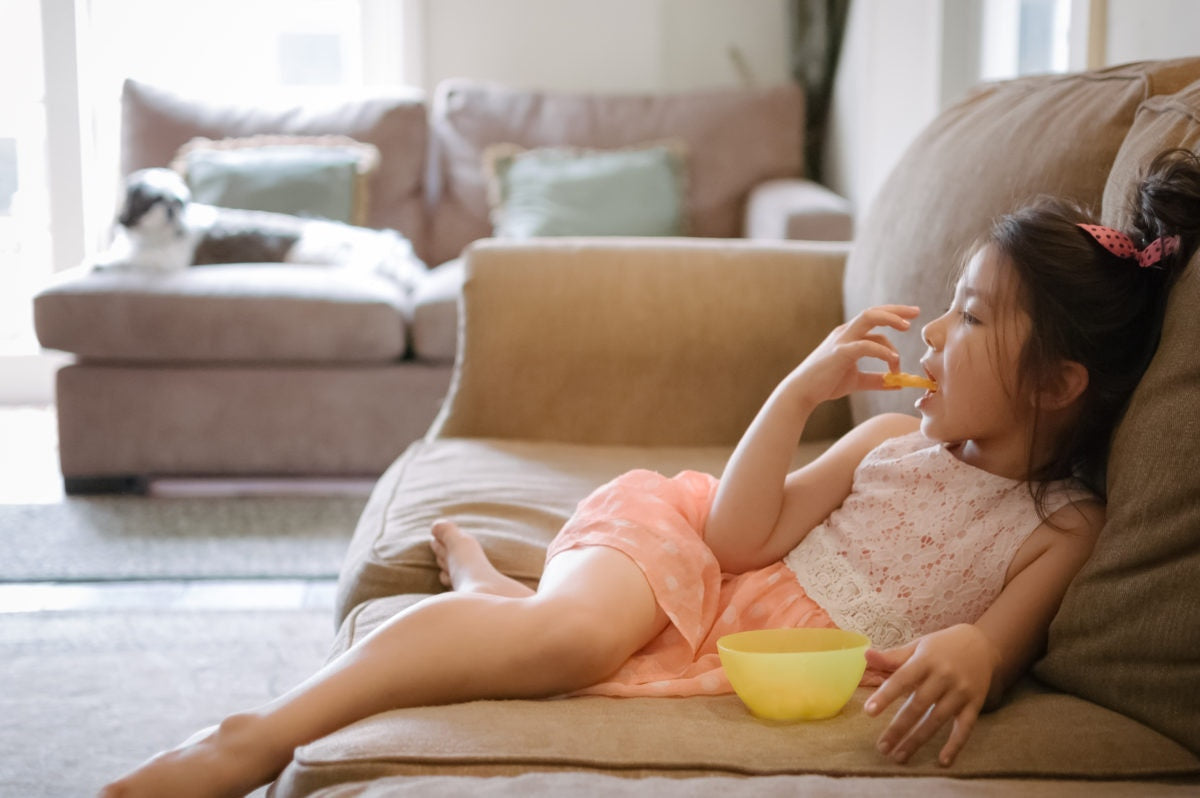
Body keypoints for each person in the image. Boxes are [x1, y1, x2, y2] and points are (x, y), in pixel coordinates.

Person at [101, 149, 1200, 798]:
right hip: (674, 544)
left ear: (1057, 383)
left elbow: (996, 644)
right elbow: (732, 539)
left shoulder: (1065, 526)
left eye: (971, 316)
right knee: (574, 638)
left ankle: (494, 588)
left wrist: (976, 652)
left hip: (723, 637)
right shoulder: (886, 444)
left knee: (559, 648)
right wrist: (799, 393)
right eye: (949, 308)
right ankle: (257, 733)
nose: (941, 334)